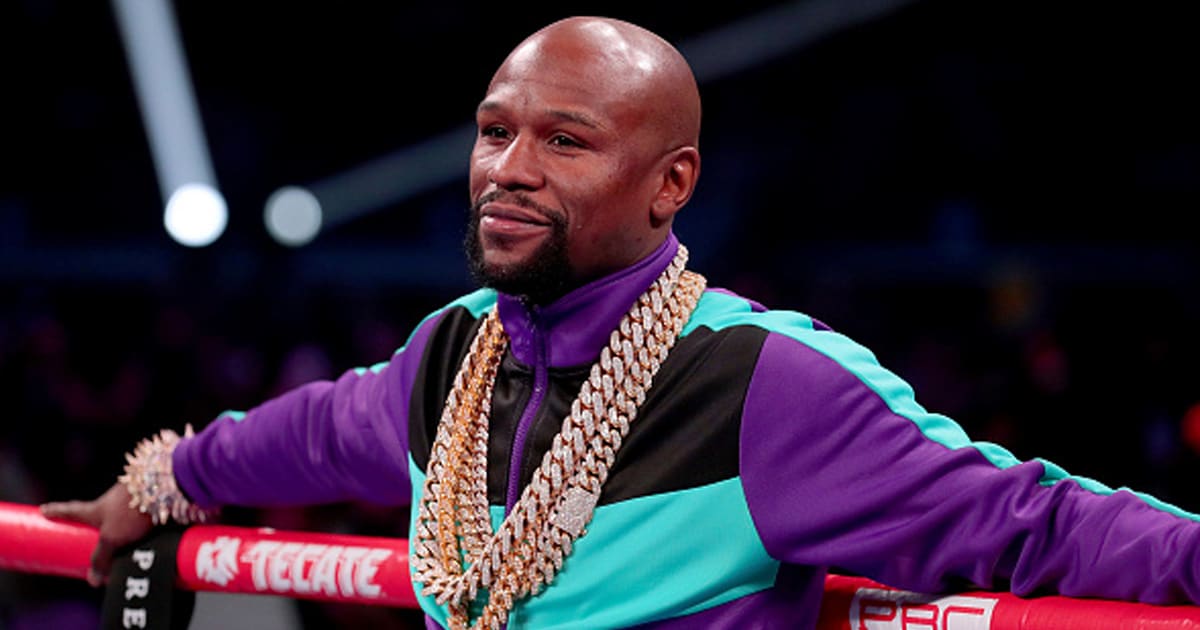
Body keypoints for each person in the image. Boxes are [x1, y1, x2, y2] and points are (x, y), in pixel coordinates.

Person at [41, 15, 1200, 630]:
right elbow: (295, 435)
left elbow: (1028, 521)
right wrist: (155, 485)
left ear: (671, 184)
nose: (508, 170)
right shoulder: (451, 349)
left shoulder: (765, 384)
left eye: (566, 140)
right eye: (496, 131)